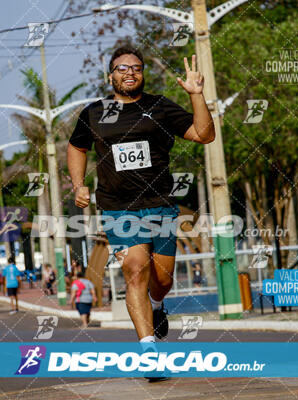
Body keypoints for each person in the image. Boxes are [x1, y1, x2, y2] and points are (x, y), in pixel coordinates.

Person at [67, 46, 214, 357]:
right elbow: (76, 147)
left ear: (143, 74)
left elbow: (204, 134)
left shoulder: (160, 107)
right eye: (122, 68)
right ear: (111, 77)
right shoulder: (94, 112)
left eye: (135, 67)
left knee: (162, 280)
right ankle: (148, 353)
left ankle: (158, 304)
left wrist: (196, 94)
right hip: (118, 207)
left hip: (160, 203)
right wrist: (78, 185)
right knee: (135, 270)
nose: (129, 72)